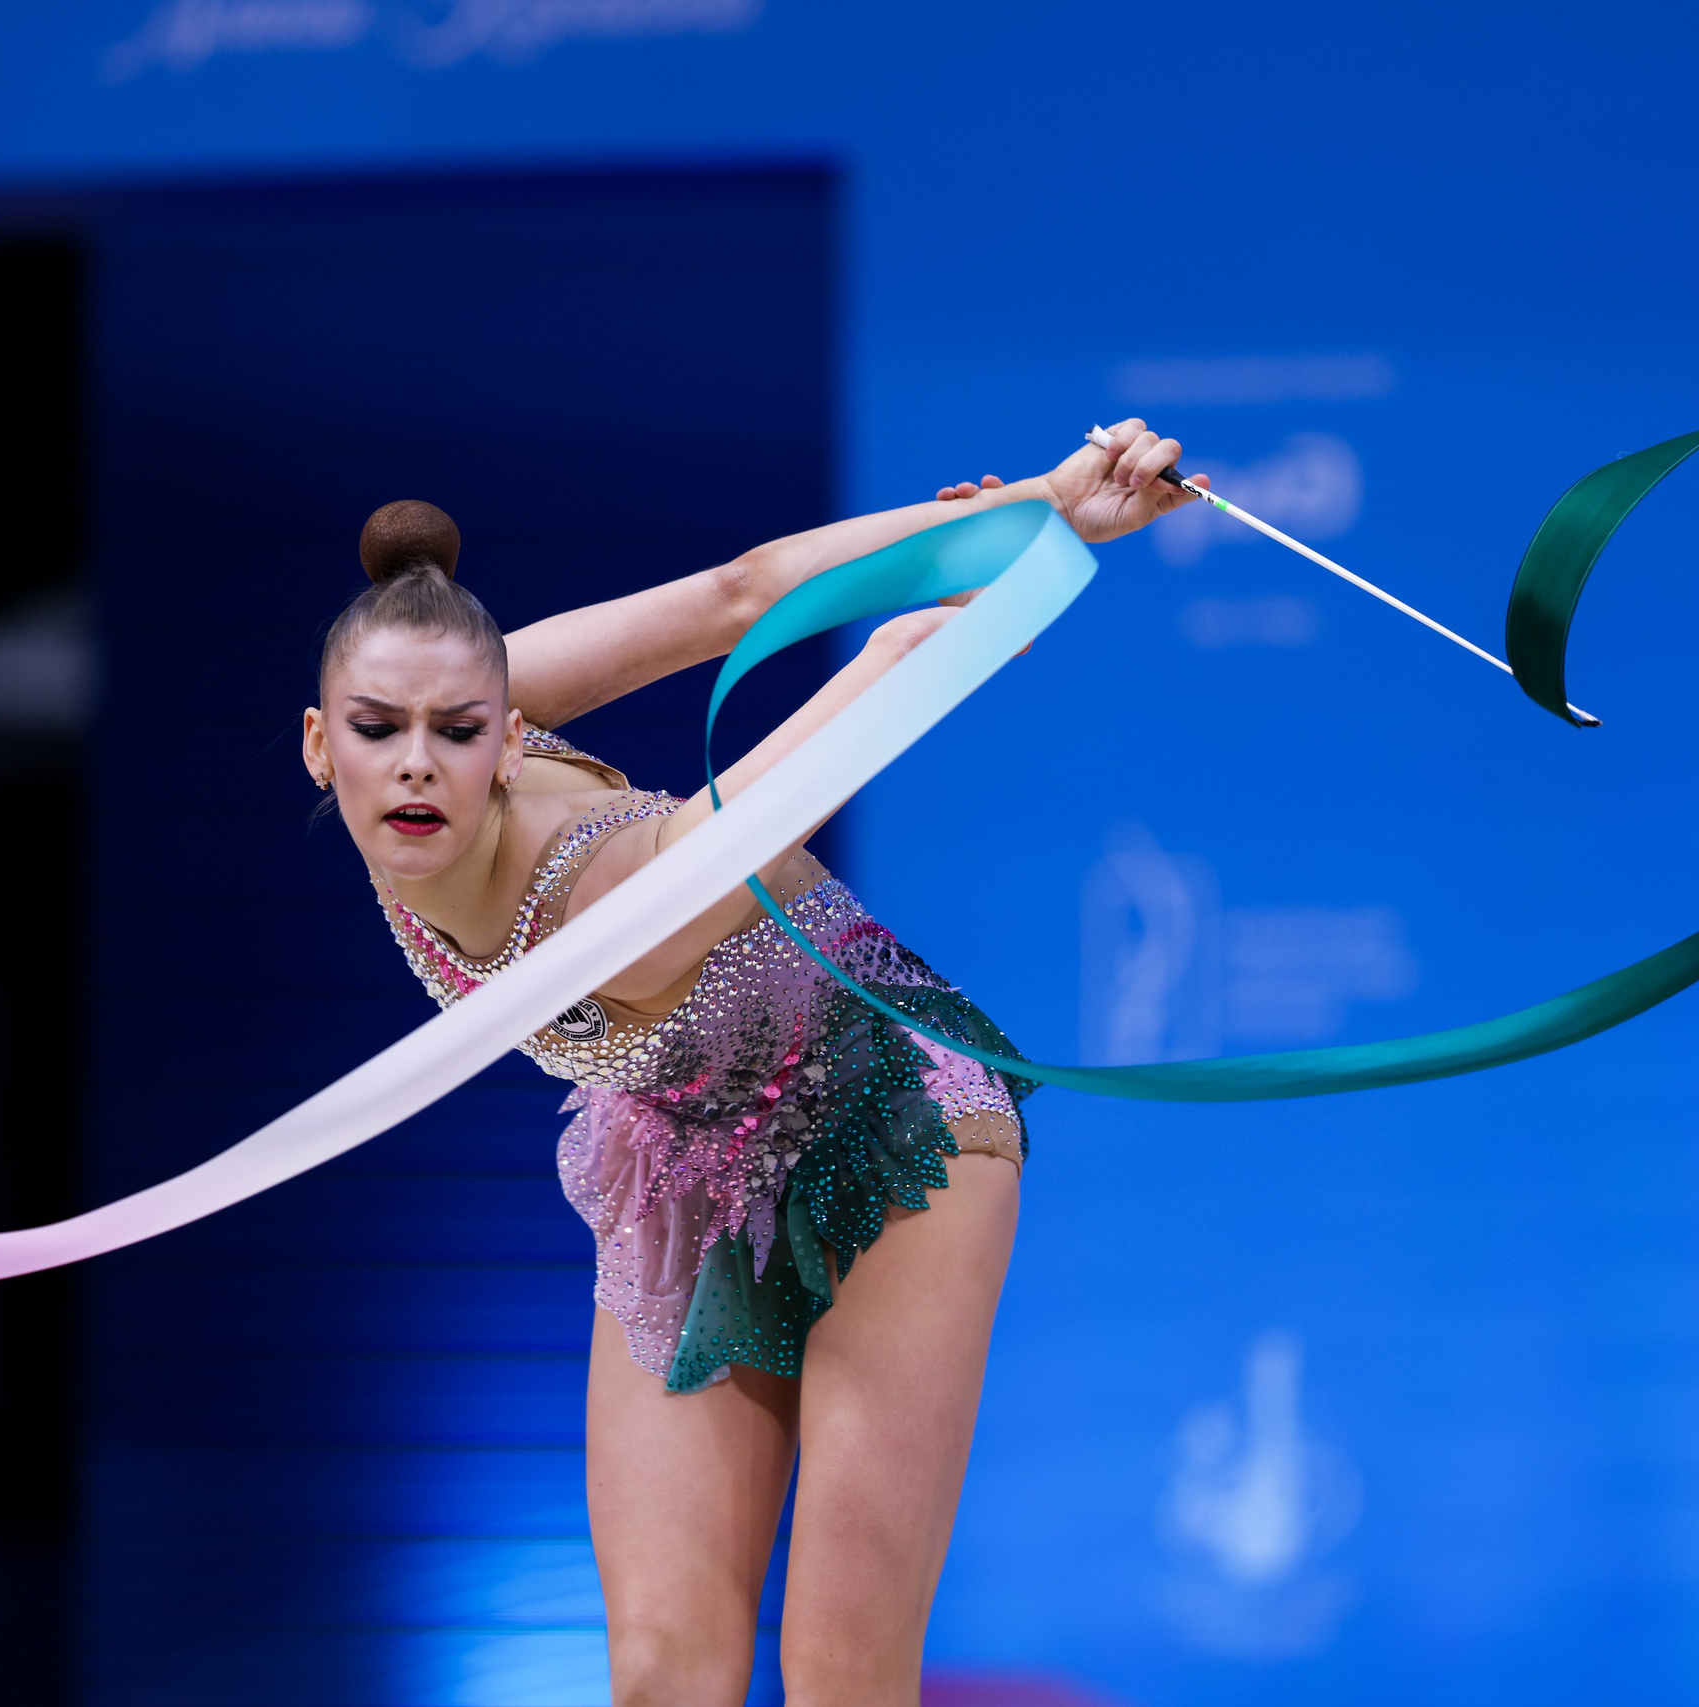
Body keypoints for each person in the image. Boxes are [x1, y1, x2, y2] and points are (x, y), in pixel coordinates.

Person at [301, 422, 1205, 1707]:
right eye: (375, 729)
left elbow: (879, 672)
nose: (413, 763)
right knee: (664, 1675)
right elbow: (742, 590)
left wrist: (1044, 525)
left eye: (455, 731)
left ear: (505, 740)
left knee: (840, 1675)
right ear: (316, 744)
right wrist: (1014, 510)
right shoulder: (423, 747)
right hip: (681, 1154)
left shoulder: (627, 895)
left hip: (890, 1123)